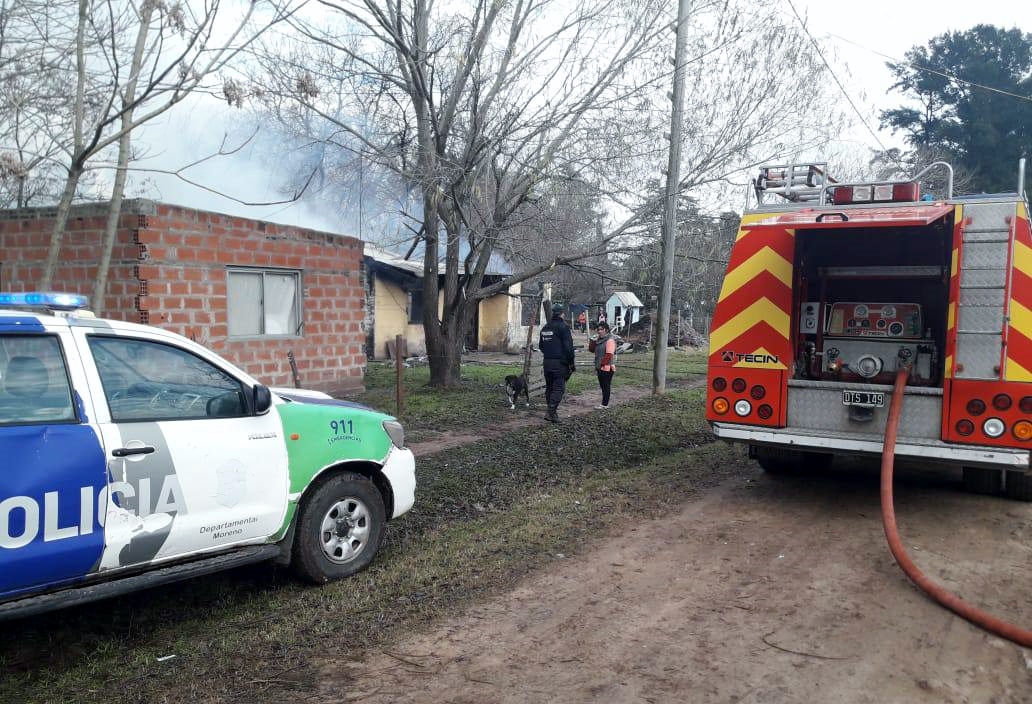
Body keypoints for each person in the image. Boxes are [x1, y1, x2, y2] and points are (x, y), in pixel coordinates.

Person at [538, 303, 575, 423]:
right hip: (559, 363)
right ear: (562, 314)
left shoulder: (545, 328)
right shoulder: (563, 327)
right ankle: (550, 411)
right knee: (559, 388)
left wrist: (549, 354)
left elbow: (541, 346)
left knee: (549, 388)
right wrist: (571, 363)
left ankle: (552, 414)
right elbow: (569, 348)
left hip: (547, 362)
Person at [589, 321, 617, 409]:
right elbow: (591, 350)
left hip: (607, 368)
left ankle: (604, 404)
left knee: (605, 385)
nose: (599, 331)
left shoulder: (610, 340)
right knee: (603, 385)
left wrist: (602, 365)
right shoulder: (599, 339)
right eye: (598, 329)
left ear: (607, 330)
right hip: (600, 367)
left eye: (601, 329)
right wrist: (592, 341)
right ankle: (604, 403)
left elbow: (609, 354)